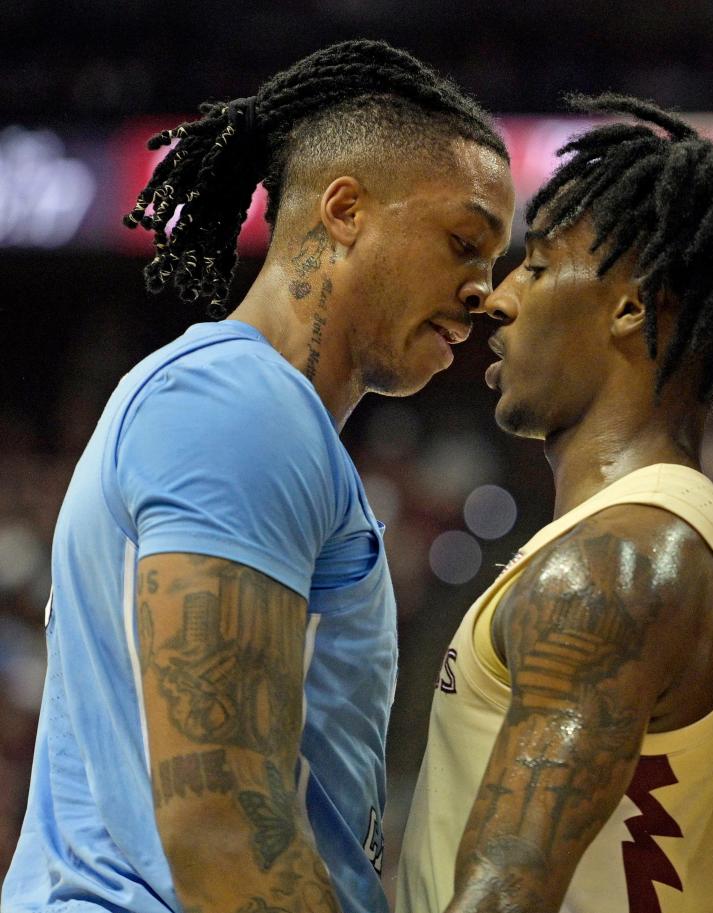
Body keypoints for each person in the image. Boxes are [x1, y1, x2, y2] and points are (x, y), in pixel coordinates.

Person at [1, 39, 514, 913]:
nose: (487, 292)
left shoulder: (262, 415)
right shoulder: (240, 407)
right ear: (344, 208)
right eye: (464, 243)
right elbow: (221, 834)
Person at [395, 94, 713, 913]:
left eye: (541, 264)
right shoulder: (676, 538)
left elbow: (502, 896)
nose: (497, 296)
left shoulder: (611, 565)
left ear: (633, 306)